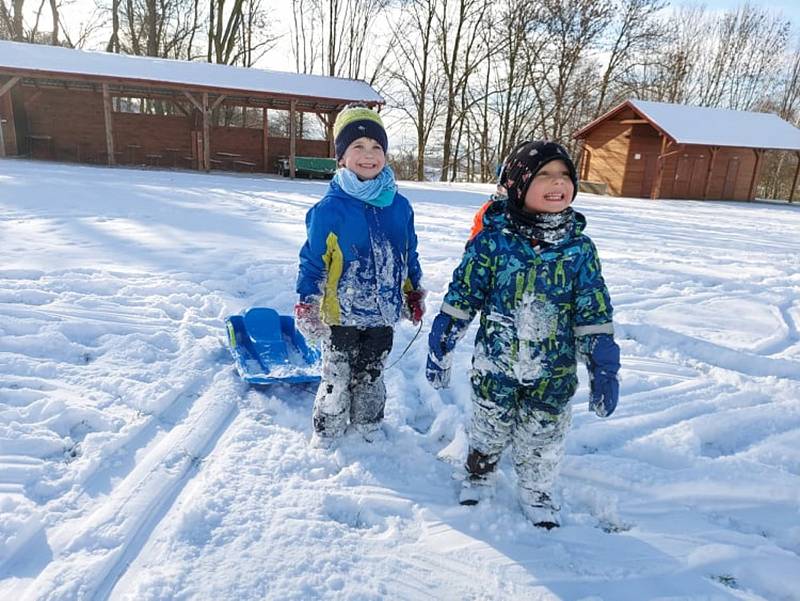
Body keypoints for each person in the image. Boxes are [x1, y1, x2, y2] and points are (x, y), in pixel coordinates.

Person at [425, 140, 620, 529]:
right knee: (487, 425)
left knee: (544, 435)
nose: (557, 183)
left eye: (564, 175)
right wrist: (443, 339)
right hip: (496, 365)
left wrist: (603, 366)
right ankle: (478, 473)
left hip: (553, 371)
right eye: (544, 175)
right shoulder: (492, 242)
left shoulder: (579, 250)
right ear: (517, 185)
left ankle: (537, 489)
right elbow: (464, 294)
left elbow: (593, 310)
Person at [295, 103, 425, 449]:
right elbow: (312, 261)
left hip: (383, 312)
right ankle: (328, 430)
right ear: (341, 157)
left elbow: (408, 253)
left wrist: (413, 292)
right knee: (337, 375)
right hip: (341, 315)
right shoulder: (329, 209)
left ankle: (368, 424)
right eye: (358, 147)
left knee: (371, 373)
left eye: (376, 147)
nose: (368, 155)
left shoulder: (399, 206)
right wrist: (307, 301)